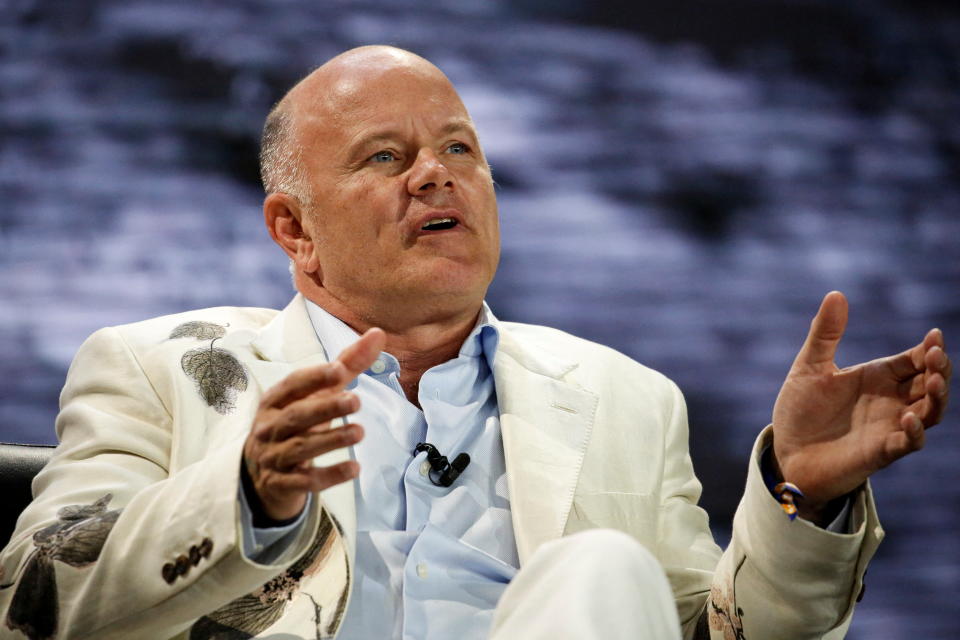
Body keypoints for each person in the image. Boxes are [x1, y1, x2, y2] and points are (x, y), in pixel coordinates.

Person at [0, 45, 950, 640]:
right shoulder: (157, 367)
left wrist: (799, 492)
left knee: (603, 571)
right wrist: (246, 491)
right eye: (386, 156)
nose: (435, 177)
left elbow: (722, 634)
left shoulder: (627, 396)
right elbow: (34, 604)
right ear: (293, 230)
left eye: (459, 149)